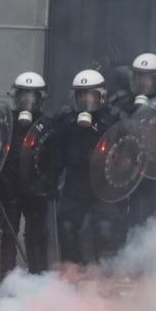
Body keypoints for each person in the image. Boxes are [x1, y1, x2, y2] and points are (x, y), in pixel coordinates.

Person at [45, 69, 125, 264]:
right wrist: (49, 182)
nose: (86, 101)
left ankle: (102, 277)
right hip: (74, 186)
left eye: (91, 95)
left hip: (103, 188)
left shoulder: (113, 120)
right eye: (82, 95)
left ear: (102, 96)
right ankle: (73, 276)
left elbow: (125, 154)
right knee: (66, 228)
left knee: (105, 230)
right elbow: (54, 154)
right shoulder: (66, 121)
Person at [0, 72, 50, 275]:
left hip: (36, 190)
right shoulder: (5, 122)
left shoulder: (47, 125)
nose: (27, 102)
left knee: (37, 235)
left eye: (32, 97)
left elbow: (53, 158)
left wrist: (48, 183)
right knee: (7, 236)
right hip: (10, 188)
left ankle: (38, 278)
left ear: (40, 99)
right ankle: (6, 279)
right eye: (23, 97)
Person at [118, 53, 156, 231]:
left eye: (147, 78)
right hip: (130, 176)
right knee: (130, 222)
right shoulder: (123, 104)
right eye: (139, 77)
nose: (142, 82)